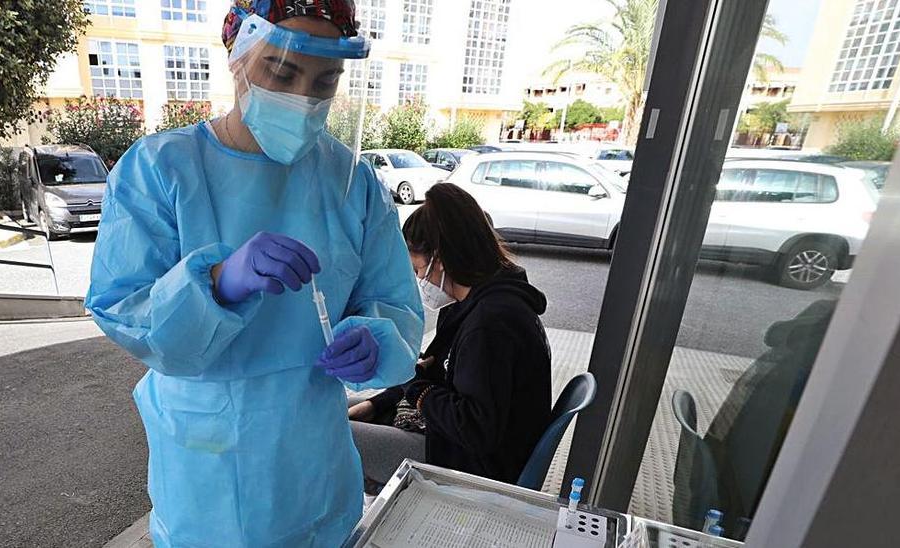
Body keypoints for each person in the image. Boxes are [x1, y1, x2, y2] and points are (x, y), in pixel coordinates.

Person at [86, 2, 423, 547]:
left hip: (314, 460)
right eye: (282, 71)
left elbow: (395, 302)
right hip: (206, 471)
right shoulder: (161, 169)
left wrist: (375, 336)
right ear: (237, 57)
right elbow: (122, 308)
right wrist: (215, 282)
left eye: (326, 80)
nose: (304, 98)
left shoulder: (350, 180)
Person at [348, 183, 552, 490]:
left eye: (418, 269)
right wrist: (377, 405)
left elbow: (474, 428)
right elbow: (429, 373)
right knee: (339, 410)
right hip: (461, 441)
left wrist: (415, 390)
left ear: (440, 259)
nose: (417, 279)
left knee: (326, 436)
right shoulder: (471, 302)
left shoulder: (492, 325)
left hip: (475, 465)